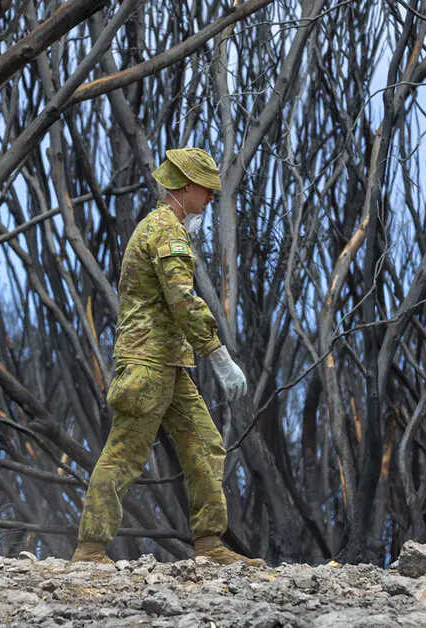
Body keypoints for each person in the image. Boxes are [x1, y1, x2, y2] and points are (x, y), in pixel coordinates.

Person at [70, 148, 263, 567]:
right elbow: (182, 299)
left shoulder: (168, 228)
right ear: (186, 187)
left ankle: (210, 544)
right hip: (148, 363)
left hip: (169, 363)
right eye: (207, 190)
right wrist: (218, 354)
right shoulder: (166, 232)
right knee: (124, 451)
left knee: (205, 444)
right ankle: (90, 549)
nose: (211, 198)